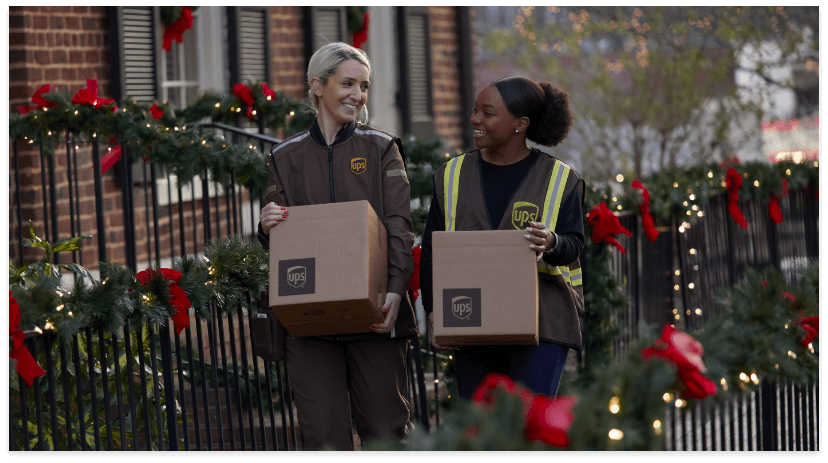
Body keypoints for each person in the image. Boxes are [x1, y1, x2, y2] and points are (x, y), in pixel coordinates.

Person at [257, 42, 416, 450]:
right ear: (318, 86)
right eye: (347, 83)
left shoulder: (381, 149)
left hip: (376, 316)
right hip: (310, 326)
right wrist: (267, 225)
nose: (357, 95)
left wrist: (397, 289)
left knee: (385, 433)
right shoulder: (284, 156)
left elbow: (399, 226)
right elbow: (281, 238)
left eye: (364, 86)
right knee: (323, 437)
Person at [419, 77, 585, 399]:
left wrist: (551, 242)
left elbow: (574, 245)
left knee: (529, 428)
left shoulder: (561, 179)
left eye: (488, 113)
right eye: (475, 110)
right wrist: (434, 313)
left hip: (541, 325)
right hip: (471, 319)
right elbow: (432, 252)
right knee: (480, 432)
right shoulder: (451, 175)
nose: (475, 120)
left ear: (519, 124)